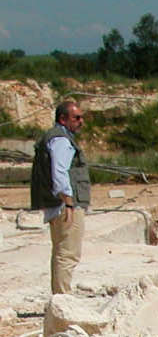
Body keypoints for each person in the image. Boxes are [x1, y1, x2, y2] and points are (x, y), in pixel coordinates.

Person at [31, 99, 90, 295]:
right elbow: (59, 172)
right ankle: (63, 298)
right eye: (76, 118)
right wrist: (69, 203)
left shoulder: (54, 137)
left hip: (57, 204)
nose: (81, 122)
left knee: (60, 252)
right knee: (68, 254)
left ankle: (59, 296)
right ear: (63, 119)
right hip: (65, 205)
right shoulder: (61, 140)